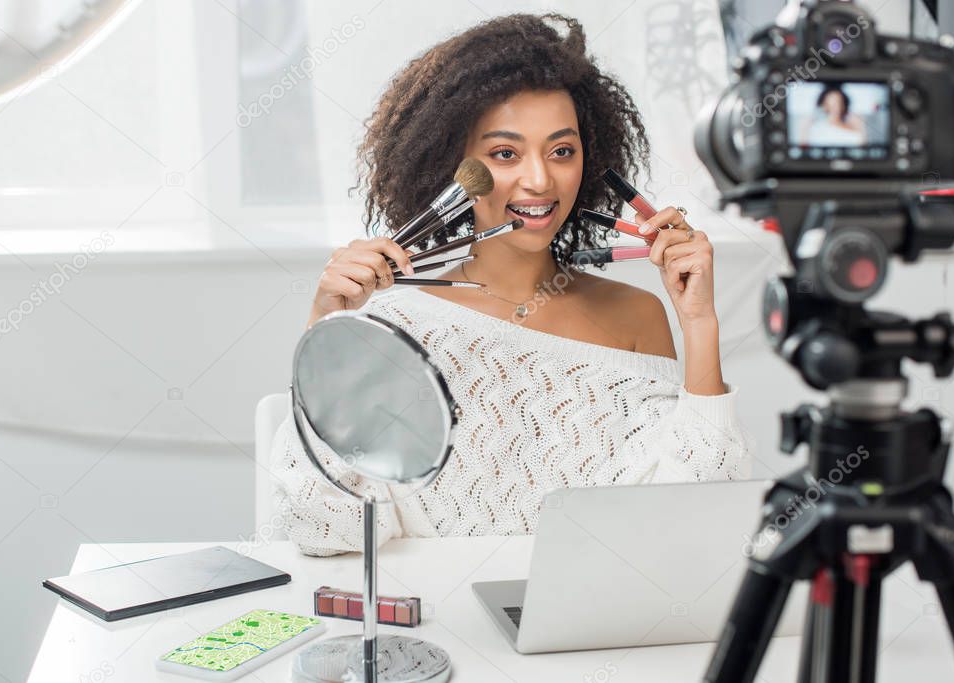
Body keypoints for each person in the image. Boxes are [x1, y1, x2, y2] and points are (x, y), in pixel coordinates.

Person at [270, 13, 754, 557]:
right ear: (451, 165)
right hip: (432, 627)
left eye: (561, 151)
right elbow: (324, 527)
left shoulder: (638, 315)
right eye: (505, 154)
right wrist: (324, 326)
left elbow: (691, 524)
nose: (540, 180)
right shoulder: (389, 328)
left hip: (588, 624)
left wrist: (699, 323)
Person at [799, 85, 867, 147]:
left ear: (844, 105)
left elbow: (863, 150)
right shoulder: (817, 129)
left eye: (838, 102)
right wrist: (804, 128)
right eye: (832, 103)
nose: (835, 107)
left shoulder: (855, 127)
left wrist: (860, 128)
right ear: (824, 105)